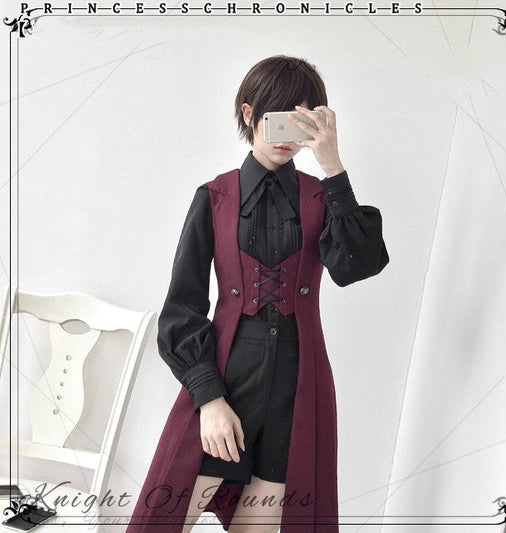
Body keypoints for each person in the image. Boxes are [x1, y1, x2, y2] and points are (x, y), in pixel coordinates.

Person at [126, 55, 390, 533]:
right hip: (224, 384)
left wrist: (332, 165)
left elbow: (358, 265)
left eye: (301, 119)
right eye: (278, 117)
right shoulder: (215, 197)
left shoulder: (322, 197)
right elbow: (181, 309)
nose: (288, 134)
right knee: (160, 522)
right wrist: (208, 399)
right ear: (249, 114)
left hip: (296, 391)